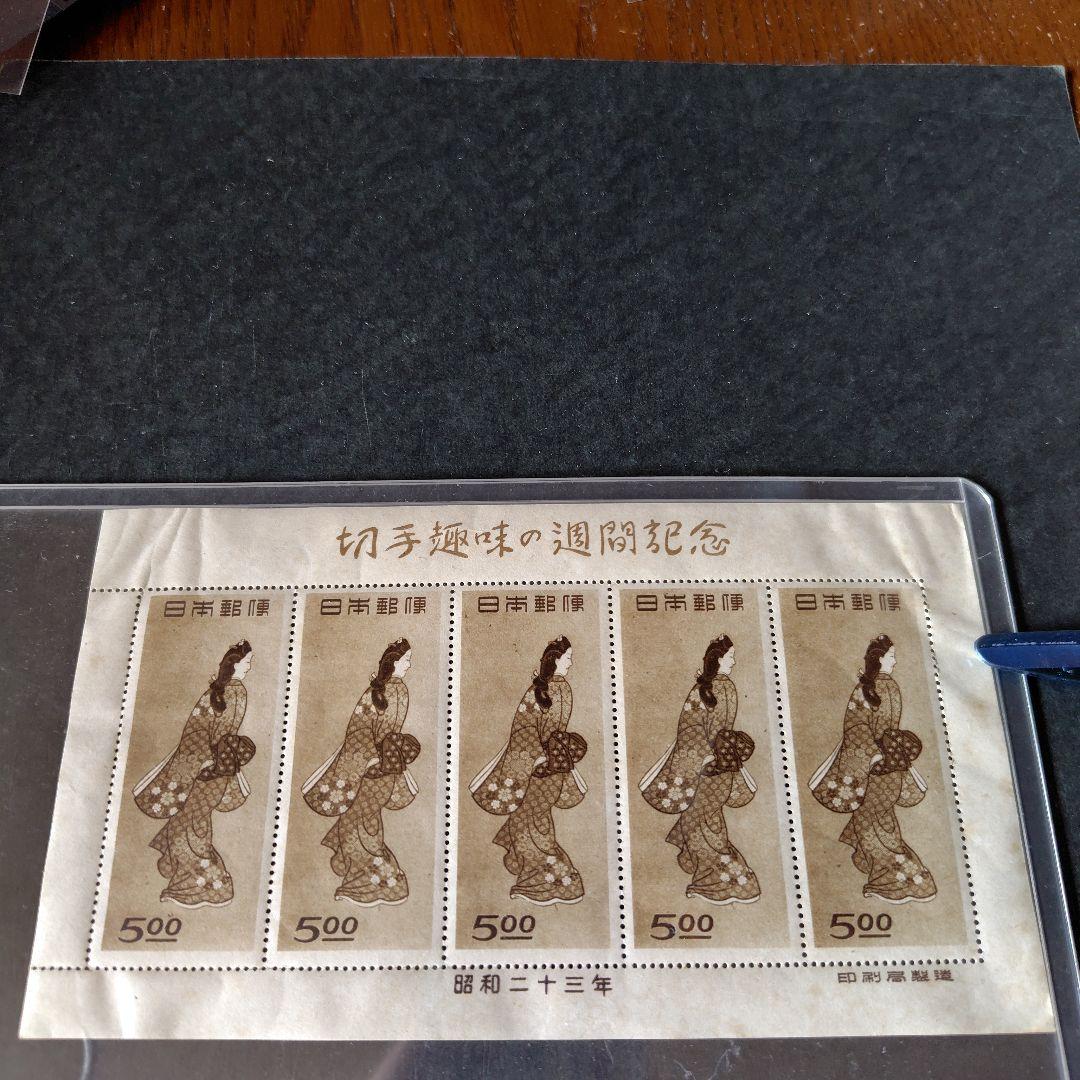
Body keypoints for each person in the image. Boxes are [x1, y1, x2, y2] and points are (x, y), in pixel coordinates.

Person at [809, 634, 936, 903]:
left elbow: (856, 728)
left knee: (873, 825)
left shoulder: (874, 687)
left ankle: (890, 879)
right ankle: (904, 876)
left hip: (876, 768)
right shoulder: (885, 687)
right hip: (887, 767)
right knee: (882, 824)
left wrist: (876, 755)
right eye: (891, 657)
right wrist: (882, 754)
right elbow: (862, 729)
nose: (895, 661)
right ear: (878, 659)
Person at [133, 639, 256, 907]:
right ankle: (188, 878)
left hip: (213, 768)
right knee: (191, 824)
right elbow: (198, 731)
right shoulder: (225, 692)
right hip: (207, 768)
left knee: (192, 825)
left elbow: (212, 733)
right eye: (247, 662)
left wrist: (209, 759)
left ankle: (193, 881)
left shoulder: (234, 691)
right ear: (234, 665)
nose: (249, 666)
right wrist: (204, 760)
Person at [639, 636, 760, 904]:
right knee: (706, 822)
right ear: (718, 659)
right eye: (730, 657)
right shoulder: (710, 689)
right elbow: (692, 728)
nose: (734, 661)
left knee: (704, 823)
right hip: (710, 768)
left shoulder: (721, 687)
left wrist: (717, 754)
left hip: (714, 768)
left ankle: (713, 877)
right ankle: (719, 876)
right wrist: (710, 756)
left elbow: (704, 728)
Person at [469, 636, 587, 905]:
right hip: (546, 769)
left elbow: (529, 731)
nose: (570, 663)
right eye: (568, 658)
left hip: (543, 769)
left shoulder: (552, 690)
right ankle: (541, 876)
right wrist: (544, 757)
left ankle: (540, 879)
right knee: (534, 822)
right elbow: (527, 731)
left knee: (531, 823)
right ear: (555, 660)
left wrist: (544, 757)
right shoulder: (554, 690)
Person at [303, 638, 419, 905]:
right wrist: (373, 759)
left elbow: (374, 732)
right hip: (372, 769)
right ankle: (369, 879)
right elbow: (359, 731)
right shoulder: (382, 693)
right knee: (361, 823)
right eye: (406, 660)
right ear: (393, 663)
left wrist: (383, 757)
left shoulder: (395, 691)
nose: (409, 665)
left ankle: (365, 880)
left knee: (363, 824)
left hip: (380, 770)